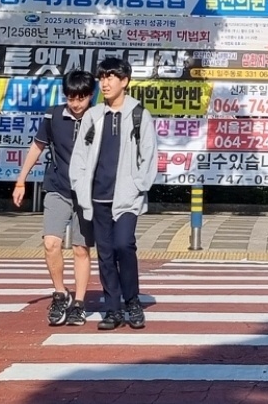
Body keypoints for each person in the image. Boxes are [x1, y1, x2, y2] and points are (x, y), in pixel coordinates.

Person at [70, 56, 158, 331]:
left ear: (125, 81)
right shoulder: (94, 116)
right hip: (96, 198)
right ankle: (113, 309)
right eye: (102, 77)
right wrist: (81, 187)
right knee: (105, 254)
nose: (104, 83)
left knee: (124, 245)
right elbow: (80, 158)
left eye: (110, 77)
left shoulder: (139, 114)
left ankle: (132, 301)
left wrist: (137, 186)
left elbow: (150, 157)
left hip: (127, 199)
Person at [12, 69, 96, 327]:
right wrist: (21, 180)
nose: (76, 104)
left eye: (81, 98)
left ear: (91, 96)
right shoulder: (53, 115)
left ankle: (79, 303)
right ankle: (60, 293)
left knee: (81, 248)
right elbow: (37, 146)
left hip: (88, 193)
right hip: (57, 187)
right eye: (71, 98)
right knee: (51, 243)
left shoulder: (100, 118)